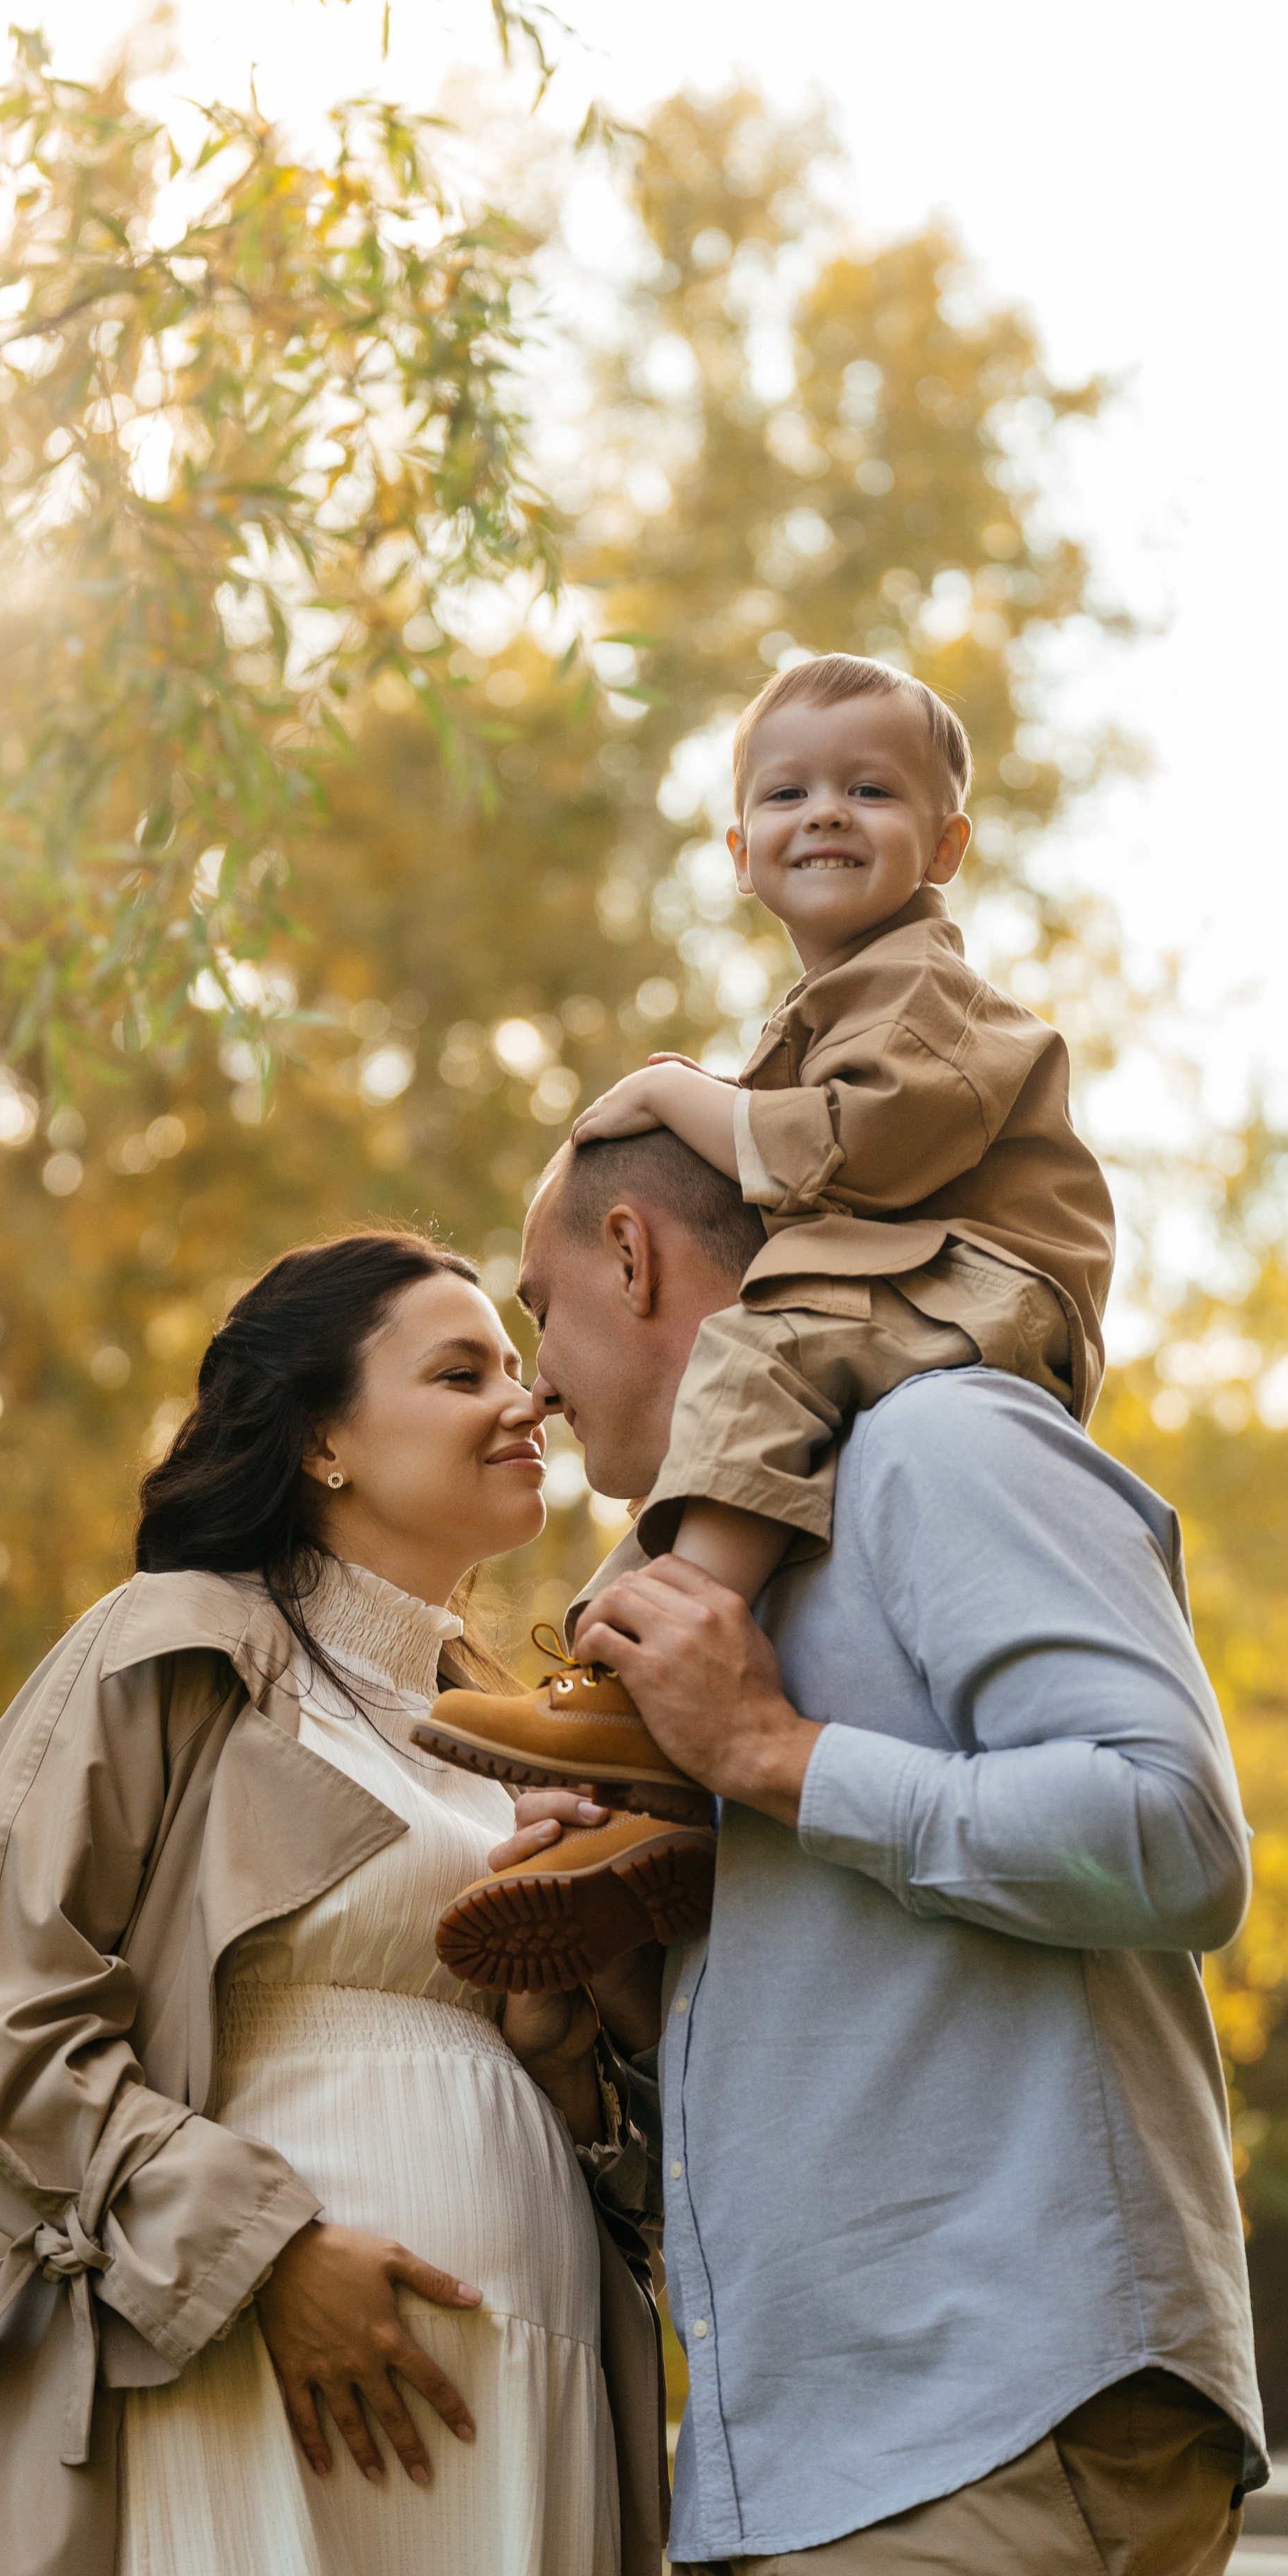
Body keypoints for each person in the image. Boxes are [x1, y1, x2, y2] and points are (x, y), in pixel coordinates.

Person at [495, 1128, 1266, 2576]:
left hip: (1001, 2450)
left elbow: (1177, 1834)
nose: (529, 1384)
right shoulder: (697, 1605)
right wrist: (598, 1995)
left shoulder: (942, 1444)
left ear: (633, 1254)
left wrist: (778, 1758)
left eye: (536, 1309)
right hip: (750, 2502)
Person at [0, 1232, 667, 2576]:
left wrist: (557, 2031)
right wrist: (265, 2256)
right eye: (458, 1372)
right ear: (321, 1442)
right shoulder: (172, 1650)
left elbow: (615, 2136)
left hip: (525, 2387)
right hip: (254, 2367)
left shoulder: (515, 1739)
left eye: (515, 1364)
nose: (525, 1400)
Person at [420, 653, 1114, 1821]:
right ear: (740, 855)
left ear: (946, 849)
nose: (828, 812)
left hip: (997, 1282)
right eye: (787, 794)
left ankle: (670, 1653)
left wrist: (688, 1098)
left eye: (871, 791)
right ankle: (622, 1740)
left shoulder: (925, 988)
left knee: (762, 1347)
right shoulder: (832, 1007)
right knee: (742, 1426)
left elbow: (872, 1145)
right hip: (919, 1278)